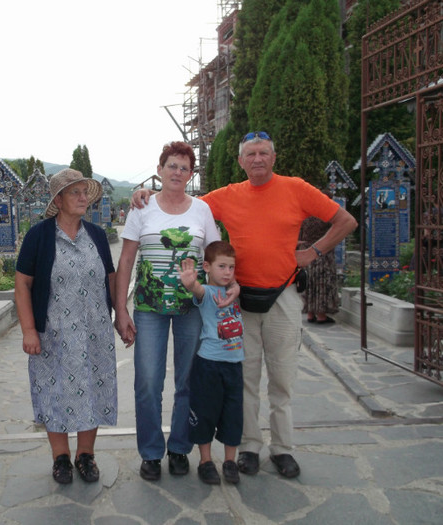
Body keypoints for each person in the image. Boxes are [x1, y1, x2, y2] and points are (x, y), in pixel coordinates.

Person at [132, 132, 357, 479]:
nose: (257, 159)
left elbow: (346, 220)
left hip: (281, 295)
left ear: (273, 157)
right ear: (240, 161)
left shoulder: (295, 188)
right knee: (245, 379)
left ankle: (282, 449)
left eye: (263, 153)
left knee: (282, 379)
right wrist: (144, 194)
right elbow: (180, 204)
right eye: (250, 154)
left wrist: (313, 252)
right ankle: (249, 447)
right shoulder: (226, 197)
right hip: (238, 301)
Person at [115, 141, 232, 482]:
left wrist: (229, 284)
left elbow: (215, 255)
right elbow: (125, 261)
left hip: (191, 308)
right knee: (148, 381)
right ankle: (151, 452)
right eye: (172, 166)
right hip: (149, 308)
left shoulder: (202, 210)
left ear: (191, 174)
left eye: (184, 167)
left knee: (187, 381)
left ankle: (180, 447)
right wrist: (121, 310)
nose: (178, 172)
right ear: (160, 170)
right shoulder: (142, 208)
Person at [14, 168, 117, 484]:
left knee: (94, 390)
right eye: (75, 192)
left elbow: (110, 279)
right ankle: (60, 458)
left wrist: (122, 315)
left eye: (84, 191)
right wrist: (29, 330)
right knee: (54, 391)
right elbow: (22, 284)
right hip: (53, 335)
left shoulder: (97, 236)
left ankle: (86, 455)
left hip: (95, 333)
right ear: (58, 200)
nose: (83, 197)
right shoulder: (39, 236)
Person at [179, 240, 244, 485]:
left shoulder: (234, 291)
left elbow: (238, 284)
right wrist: (191, 283)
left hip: (235, 364)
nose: (227, 272)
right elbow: (198, 290)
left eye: (231, 267)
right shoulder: (208, 293)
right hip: (209, 365)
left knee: (233, 414)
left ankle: (230, 461)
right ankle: (205, 461)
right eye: (222, 267)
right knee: (205, 412)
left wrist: (236, 285)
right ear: (207, 266)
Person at [299, 190, 340, 324]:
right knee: (322, 283)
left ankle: (310, 314)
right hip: (322, 252)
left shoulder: (305, 215)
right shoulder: (326, 215)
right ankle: (321, 315)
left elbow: (299, 234)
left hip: (306, 252)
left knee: (309, 283)